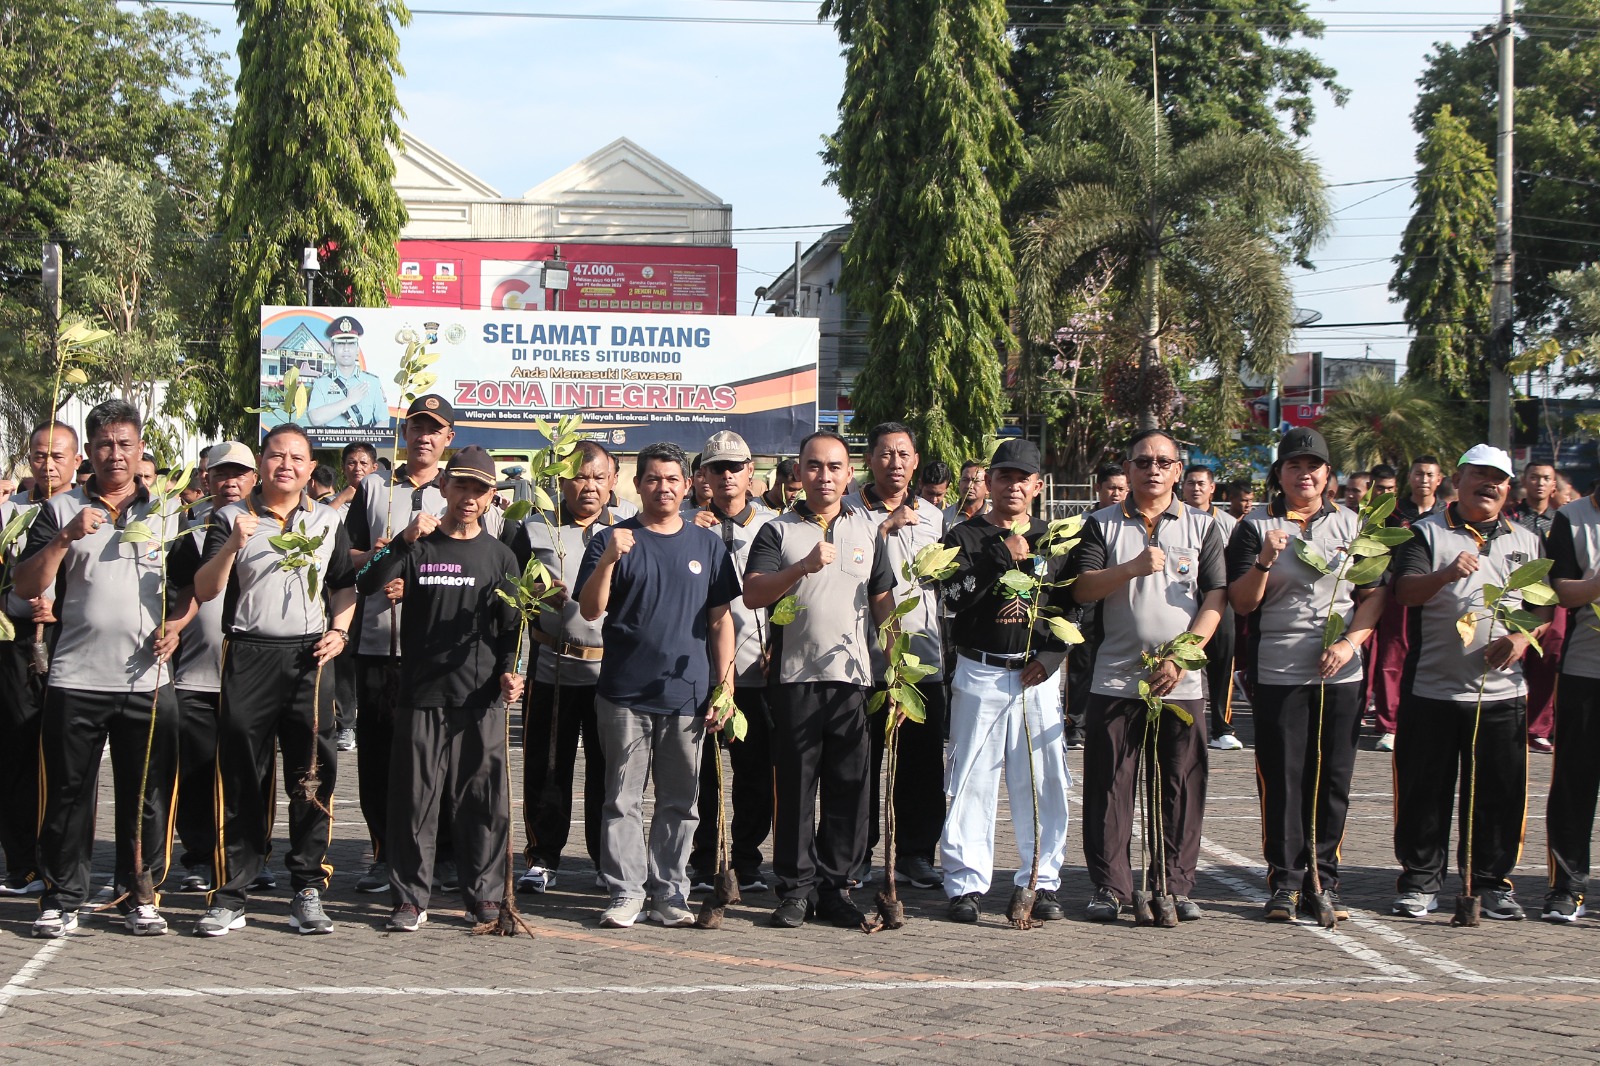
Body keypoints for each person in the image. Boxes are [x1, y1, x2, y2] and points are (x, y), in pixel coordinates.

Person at [14, 400, 185, 937]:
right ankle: (61, 896)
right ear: (89, 452)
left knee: (146, 795)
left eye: (126, 444)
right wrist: (65, 539)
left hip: (147, 682)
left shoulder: (167, 512)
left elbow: (192, 589)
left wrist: (178, 625)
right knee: (67, 793)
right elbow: (23, 586)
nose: (116, 454)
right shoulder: (58, 510)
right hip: (75, 676)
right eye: (106, 444)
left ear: (140, 451)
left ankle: (139, 894)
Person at [190, 423, 358, 937]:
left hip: (309, 658)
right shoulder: (230, 517)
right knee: (242, 772)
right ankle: (232, 889)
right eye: (275, 455)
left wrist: (340, 632)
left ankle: (307, 886)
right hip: (249, 653)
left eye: (296, 457)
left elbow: (345, 586)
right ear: (261, 463)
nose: (285, 464)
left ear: (310, 468)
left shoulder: (327, 520)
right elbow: (204, 587)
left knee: (312, 774)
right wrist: (231, 547)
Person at [355, 447, 523, 931]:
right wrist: (402, 542)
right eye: (461, 486)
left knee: (482, 803)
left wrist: (512, 672)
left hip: (481, 700)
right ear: (443, 487)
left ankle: (485, 896)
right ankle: (409, 897)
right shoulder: (421, 545)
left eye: (479, 489)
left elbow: (512, 627)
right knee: (414, 801)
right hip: (421, 693)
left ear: (492, 497)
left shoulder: (501, 556)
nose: (468, 497)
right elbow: (367, 583)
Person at [575, 442, 739, 929]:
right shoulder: (612, 538)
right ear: (637, 484)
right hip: (624, 693)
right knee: (621, 799)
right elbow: (589, 609)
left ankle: (670, 892)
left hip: (687, 695)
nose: (663, 487)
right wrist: (607, 559)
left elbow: (720, 621)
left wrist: (724, 684)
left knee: (680, 801)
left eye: (672, 479)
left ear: (688, 486)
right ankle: (625, 891)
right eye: (653, 479)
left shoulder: (708, 545)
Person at [1226, 428, 1387, 920]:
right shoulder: (1255, 525)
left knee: (1333, 777)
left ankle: (1324, 876)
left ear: (1328, 475)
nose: (1305, 474)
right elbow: (1241, 602)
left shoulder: (1356, 526)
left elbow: (1374, 595)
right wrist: (1265, 561)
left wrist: (1348, 642)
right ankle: (1285, 879)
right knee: (1283, 777)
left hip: (1340, 672)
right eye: (1294, 466)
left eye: (1314, 465)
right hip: (1279, 670)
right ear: (1279, 474)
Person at [1069, 429, 1228, 923]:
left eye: (1164, 462)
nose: (1153, 469)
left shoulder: (1204, 527)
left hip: (1180, 680)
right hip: (1115, 679)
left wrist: (1182, 657)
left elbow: (1215, 600)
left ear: (1179, 471)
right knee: (1110, 786)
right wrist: (1134, 567)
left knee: (1181, 784)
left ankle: (1174, 885)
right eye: (1143, 461)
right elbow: (1082, 589)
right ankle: (1110, 888)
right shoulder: (1099, 524)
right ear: (1129, 469)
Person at [743, 431, 896, 929]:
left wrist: (895, 670)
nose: (823, 476)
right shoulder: (777, 532)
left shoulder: (868, 530)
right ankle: (793, 889)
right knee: (795, 786)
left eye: (834, 467)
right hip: (794, 681)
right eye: (813, 466)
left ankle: (836, 888)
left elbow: (882, 604)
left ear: (849, 473)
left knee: (850, 788)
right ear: (798, 473)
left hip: (853, 680)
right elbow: (753, 594)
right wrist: (803, 567)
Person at [1389, 445, 1548, 921]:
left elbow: (1543, 604)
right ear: (1457, 479)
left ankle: (1492, 883)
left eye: (1499, 479)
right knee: (1425, 791)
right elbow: (1404, 592)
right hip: (1433, 690)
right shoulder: (1426, 533)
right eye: (1480, 475)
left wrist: (1522, 637)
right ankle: (1420, 882)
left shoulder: (1527, 541)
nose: (1490, 485)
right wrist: (1444, 574)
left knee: (1500, 794)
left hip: (1502, 695)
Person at [345, 396, 497, 894]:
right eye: (416, 427)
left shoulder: (463, 491)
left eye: (435, 429)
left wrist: (421, 583)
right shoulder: (375, 488)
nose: (424, 437)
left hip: (440, 657)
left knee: (450, 769)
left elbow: (483, 571)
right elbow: (351, 564)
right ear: (404, 432)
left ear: (448, 438)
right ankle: (384, 853)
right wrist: (398, 549)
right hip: (376, 645)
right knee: (381, 760)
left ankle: (448, 857)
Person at [937, 439, 1073, 924]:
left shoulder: (1056, 538)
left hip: (1035, 674)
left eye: (1023, 478)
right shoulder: (963, 535)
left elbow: (1073, 604)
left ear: (1038, 485)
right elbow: (952, 596)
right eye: (1003, 476)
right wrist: (1000, 558)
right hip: (980, 669)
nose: (1013, 485)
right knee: (971, 777)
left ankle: (1040, 879)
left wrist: (1054, 654)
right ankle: (966, 883)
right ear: (988, 482)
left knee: (1042, 781)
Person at [504, 440, 622, 894]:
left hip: (610, 671)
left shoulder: (628, 525)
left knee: (608, 770)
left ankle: (604, 858)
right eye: (579, 476)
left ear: (612, 482)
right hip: (551, 665)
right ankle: (543, 856)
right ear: (561, 480)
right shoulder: (535, 527)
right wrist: (532, 594)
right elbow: (508, 590)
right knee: (547, 768)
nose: (588, 487)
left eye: (598, 477)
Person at [854, 423, 948, 890]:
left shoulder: (934, 517)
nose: (895, 462)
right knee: (860, 763)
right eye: (885, 454)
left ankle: (916, 853)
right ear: (870, 460)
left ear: (915, 462)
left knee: (921, 765)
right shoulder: (849, 512)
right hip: (862, 663)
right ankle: (856, 853)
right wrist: (885, 529)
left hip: (922, 661)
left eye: (903, 454)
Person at [686, 431, 777, 894]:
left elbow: (789, 596)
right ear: (701, 475)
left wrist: (776, 645)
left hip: (754, 671)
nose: (726, 476)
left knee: (755, 775)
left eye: (734, 467)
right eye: (716, 467)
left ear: (750, 473)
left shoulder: (775, 525)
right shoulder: (684, 525)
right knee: (700, 776)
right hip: (698, 671)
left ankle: (746, 859)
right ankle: (705, 861)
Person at [165, 442, 257, 894]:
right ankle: (200, 857)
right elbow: (187, 593)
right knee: (198, 773)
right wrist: (174, 627)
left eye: (240, 473)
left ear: (254, 479)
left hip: (251, 675)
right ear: (206, 480)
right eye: (221, 474)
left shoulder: (272, 528)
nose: (230, 482)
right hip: (197, 673)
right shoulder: (188, 532)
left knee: (248, 774)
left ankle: (251, 857)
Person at [0, 420, 80, 896]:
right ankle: (21, 860)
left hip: (70, 640)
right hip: (17, 643)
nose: (47, 464)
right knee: (17, 750)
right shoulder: (13, 512)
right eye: (38, 455)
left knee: (69, 756)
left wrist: (60, 609)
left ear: (76, 460)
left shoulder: (87, 510)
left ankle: (67, 859)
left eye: (57, 456)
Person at [1544, 478, 1600, 921]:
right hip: (1586, 671)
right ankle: (1568, 885)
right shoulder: (1572, 518)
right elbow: (1560, 590)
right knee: (1574, 783)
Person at [1371, 456, 1445, 752]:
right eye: (1418, 473)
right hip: (1399, 589)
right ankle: (1389, 725)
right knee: (1393, 653)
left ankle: (1428, 715)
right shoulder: (1394, 511)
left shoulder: (1448, 513)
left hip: (1438, 592)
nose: (1423, 479)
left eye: (1429, 475)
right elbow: (1376, 548)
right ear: (1409, 477)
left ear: (1439, 480)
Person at [1182, 465, 1242, 753]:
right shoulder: (1176, 519)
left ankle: (1222, 727)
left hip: (1220, 598)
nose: (1196, 488)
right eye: (1190, 483)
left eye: (1201, 484)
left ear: (1212, 488)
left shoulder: (1229, 523)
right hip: (1182, 598)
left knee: (1221, 661)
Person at [1514, 462, 1562, 754]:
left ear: (1554, 485)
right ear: (1524, 481)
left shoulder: (1562, 521)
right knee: (1517, 657)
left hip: (1552, 599)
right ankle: (1514, 721)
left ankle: (1538, 728)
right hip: (1517, 597)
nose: (1540, 483)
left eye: (1546, 479)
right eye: (1534, 477)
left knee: (1548, 661)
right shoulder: (1511, 517)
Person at [308, 316, 388, 428]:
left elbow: (384, 421)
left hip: (363, 443)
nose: (346, 349)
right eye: (340, 344)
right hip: (331, 444)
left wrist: (365, 443)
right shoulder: (321, 383)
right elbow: (315, 418)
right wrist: (349, 400)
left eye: (351, 343)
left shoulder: (373, 382)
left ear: (357, 349)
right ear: (332, 349)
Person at [943, 460, 989, 527]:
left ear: (988, 486)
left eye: (976, 481)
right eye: (965, 480)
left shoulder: (995, 518)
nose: (969, 486)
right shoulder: (944, 517)